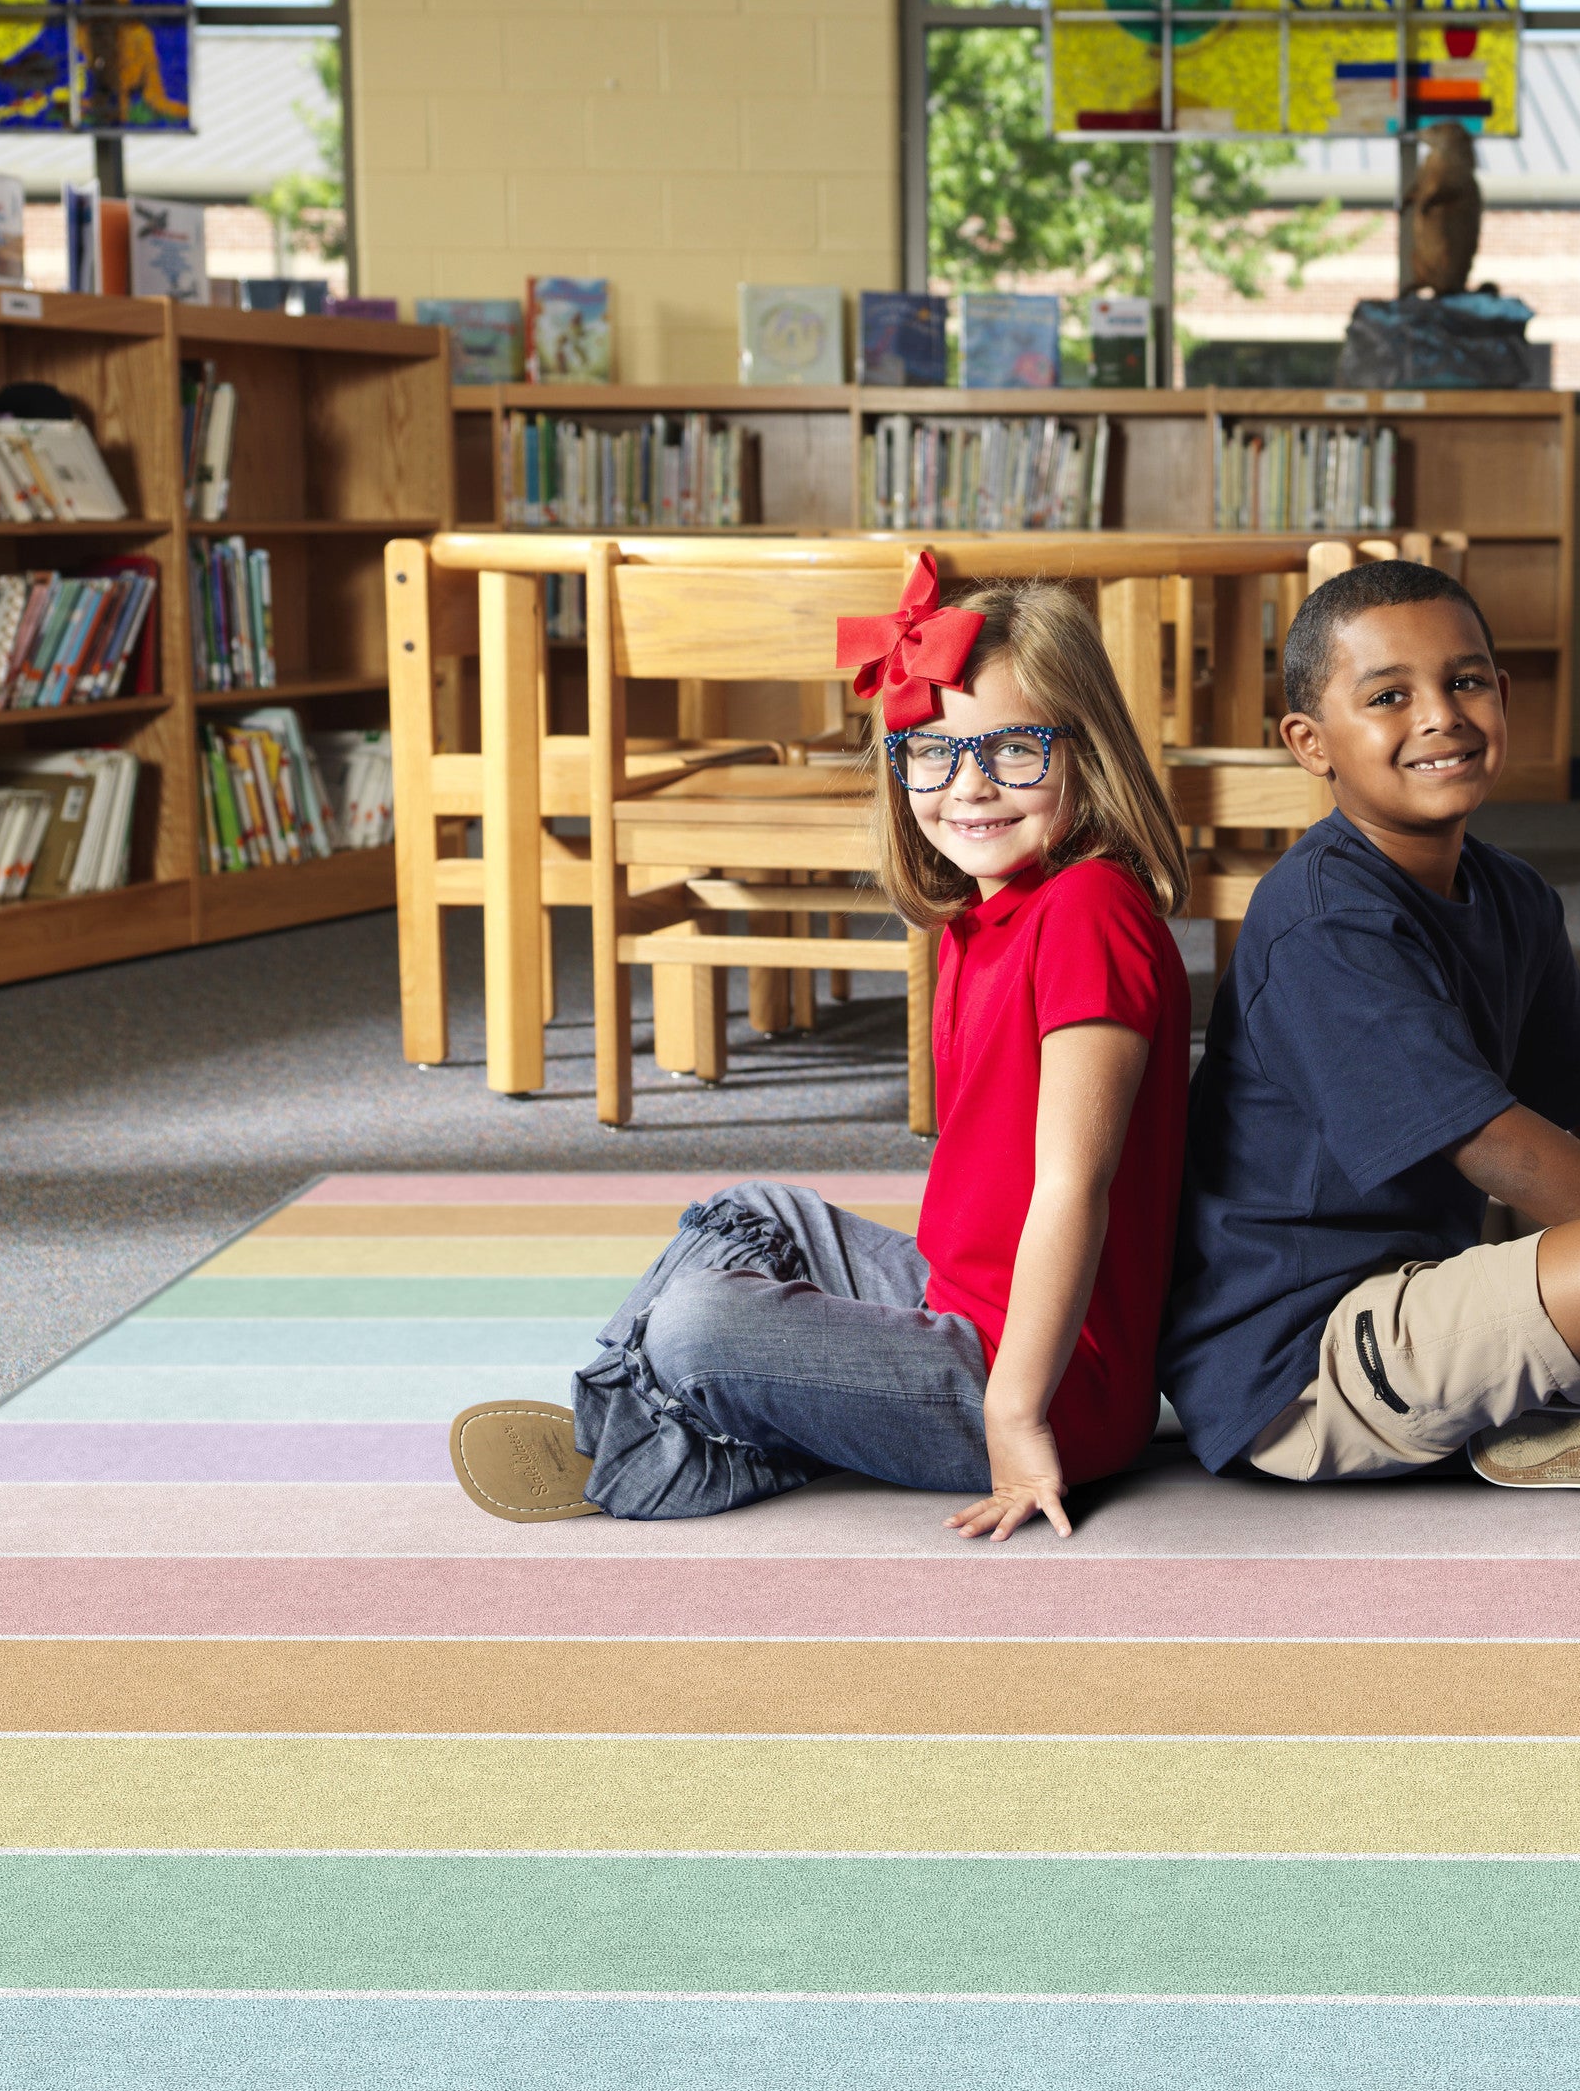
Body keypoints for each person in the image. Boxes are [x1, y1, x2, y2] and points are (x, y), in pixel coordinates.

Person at [446, 559, 1191, 1542]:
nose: (966, 786)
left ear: (1084, 753)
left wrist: (1013, 1413)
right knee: (748, 1214)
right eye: (928, 751)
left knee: (698, 1325)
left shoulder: (1090, 908)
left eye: (1013, 749)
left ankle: (667, 1438)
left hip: (1046, 1386)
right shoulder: (983, 914)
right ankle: (677, 1412)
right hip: (956, 1295)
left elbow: (1072, 1188)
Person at [1158, 559, 1580, 1499]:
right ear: (1310, 742)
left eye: (1466, 680)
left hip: (1428, 1267)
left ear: (1505, 693)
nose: (1440, 714)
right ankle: (1570, 1412)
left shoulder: (1511, 892)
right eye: (1389, 695)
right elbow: (1489, 1142)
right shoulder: (1323, 919)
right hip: (1299, 1362)